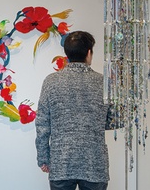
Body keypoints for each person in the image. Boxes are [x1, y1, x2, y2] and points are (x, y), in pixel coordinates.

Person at [35, 31, 117, 190]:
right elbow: (114, 120)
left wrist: (43, 157)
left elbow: (42, 124)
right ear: (89, 53)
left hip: (61, 163)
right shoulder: (104, 82)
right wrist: (92, 123)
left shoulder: (51, 82)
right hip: (94, 163)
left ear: (66, 53)